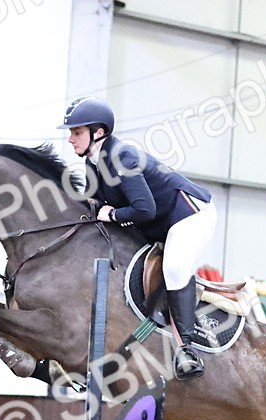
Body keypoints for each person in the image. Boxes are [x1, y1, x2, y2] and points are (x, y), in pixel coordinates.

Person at [60, 96, 216, 381]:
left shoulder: (122, 158)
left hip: (189, 214)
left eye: (77, 132)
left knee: (174, 267)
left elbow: (145, 209)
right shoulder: (93, 163)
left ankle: (187, 350)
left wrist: (111, 214)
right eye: (71, 132)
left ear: (99, 132)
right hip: (157, 222)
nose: (71, 139)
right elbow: (93, 206)